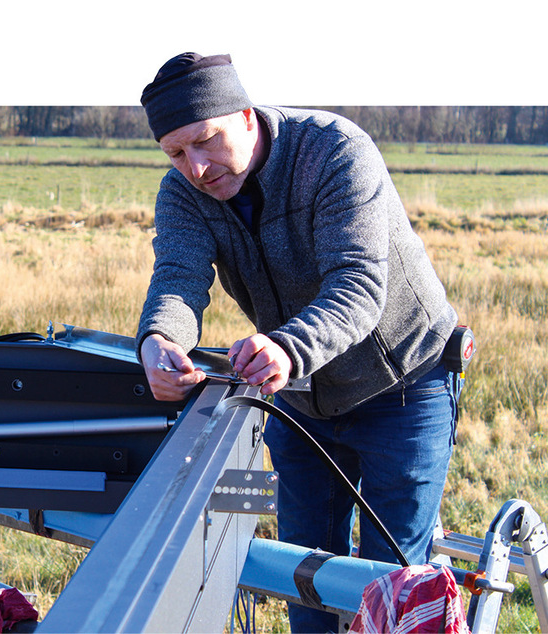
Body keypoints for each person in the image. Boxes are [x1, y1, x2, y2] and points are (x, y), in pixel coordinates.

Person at [136, 52, 461, 633]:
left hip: (403, 385)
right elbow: (178, 280)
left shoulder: (334, 152)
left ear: (243, 115)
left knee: (393, 587)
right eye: (177, 153)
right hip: (302, 400)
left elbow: (358, 284)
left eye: (206, 142)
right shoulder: (184, 194)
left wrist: (287, 348)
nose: (197, 168)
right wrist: (158, 340)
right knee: (305, 576)